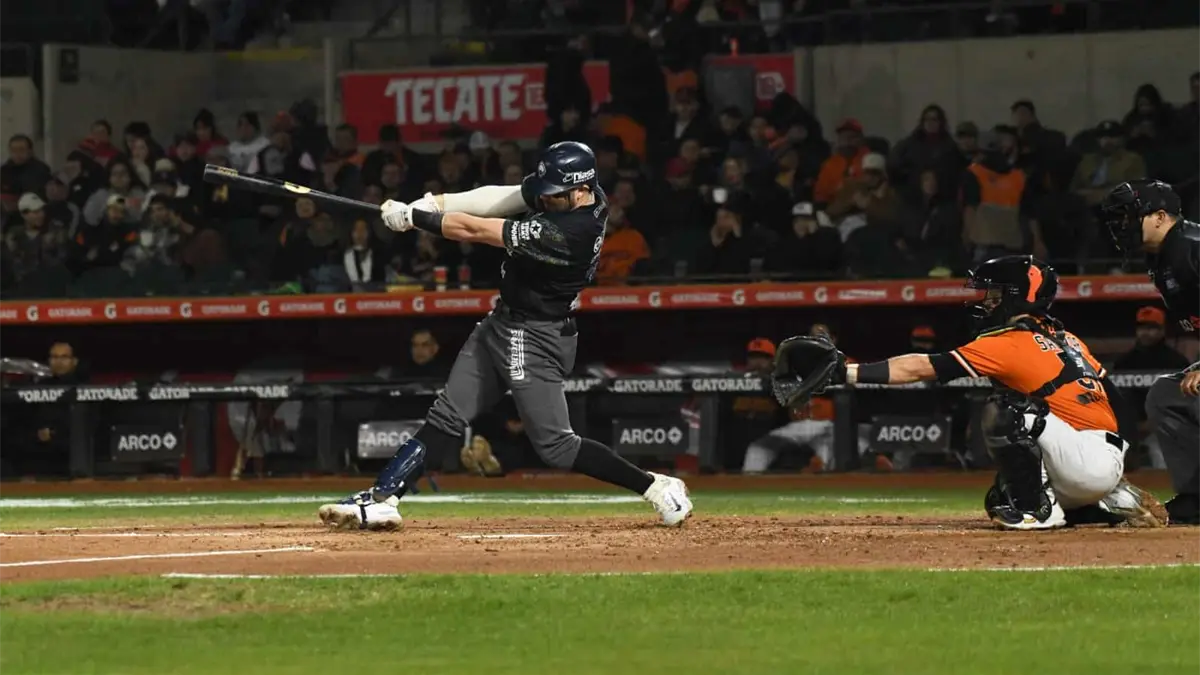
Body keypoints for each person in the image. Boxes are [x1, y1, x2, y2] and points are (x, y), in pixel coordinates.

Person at [319, 142, 692, 530]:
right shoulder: (570, 191)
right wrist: (433, 203)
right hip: (502, 322)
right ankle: (384, 498)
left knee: (556, 446)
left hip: (535, 337)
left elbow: (477, 229)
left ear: (581, 190)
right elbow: (502, 197)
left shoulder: (571, 232)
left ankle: (654, 487)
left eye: (554, 195)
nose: (544, 199)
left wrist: (415, 219)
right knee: (447, 414)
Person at [777, 255, 1166, 530]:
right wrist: (1119, 461)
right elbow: (1115, 397)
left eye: (995, 293)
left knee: (1006, 411)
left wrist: (845, 372)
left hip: (1083, 458)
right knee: (1001, 497)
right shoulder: (1068, 339)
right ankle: (1106, 501)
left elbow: (921, 367)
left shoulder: (1009, 341)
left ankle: (1039, 512)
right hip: (1098, 454)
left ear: (1016, 296)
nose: (987, 301)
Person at [1102, 179, 1200, 523]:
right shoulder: (1162, 258)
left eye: (1131, 216)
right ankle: (1196, 497)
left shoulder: (1192, 247)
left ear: (1160, 217)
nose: (1123, 225)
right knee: (1167, 395)